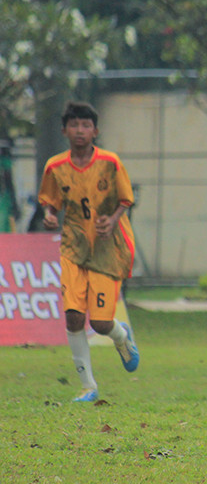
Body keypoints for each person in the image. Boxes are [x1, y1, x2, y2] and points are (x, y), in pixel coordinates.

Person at [38, 101, 140, 403]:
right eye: (74, 125)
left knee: (100, 323)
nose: (80, 130)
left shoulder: (110, 162)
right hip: (73, 248)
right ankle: (88, 386)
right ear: (64, 130)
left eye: (85, 125)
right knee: (73, 317)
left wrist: (113, 219)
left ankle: (121, 336)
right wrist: (49, 215)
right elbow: (50, 201)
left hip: (106, 250)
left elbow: (125, 199)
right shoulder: (55, 167)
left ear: (95, 131)